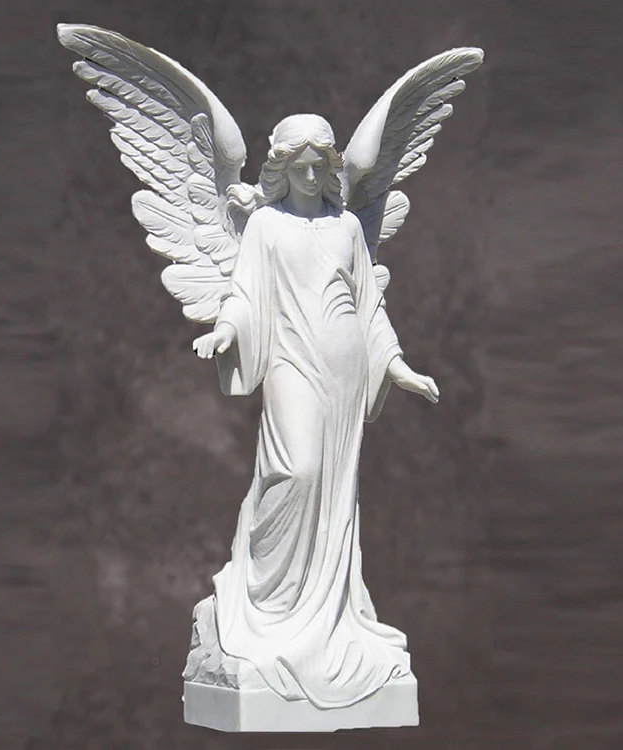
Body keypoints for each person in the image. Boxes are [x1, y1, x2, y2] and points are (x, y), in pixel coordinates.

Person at [188, 114, 439, 709]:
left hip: (346, 366)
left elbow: (368, 305)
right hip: (291, 360)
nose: (308, 176)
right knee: (296, 472)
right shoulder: (265, 225)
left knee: (332, 490)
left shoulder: (346, 226)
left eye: (318, 166)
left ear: (329, 168)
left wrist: (396, 365)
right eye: (298, 166)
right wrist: (224, 330)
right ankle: (268, 606)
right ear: (281, 167)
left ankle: (327, 619)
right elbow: (245, 293)